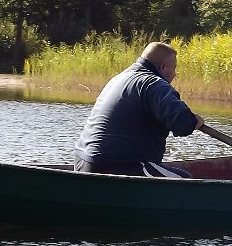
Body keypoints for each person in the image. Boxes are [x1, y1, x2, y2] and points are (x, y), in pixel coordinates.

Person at [73, 42, 204, 178]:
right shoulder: (155, 84)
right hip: (114, 165)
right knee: (184, 181)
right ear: (163, 67)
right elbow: (182, 123)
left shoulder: (119, 78)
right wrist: (193, 120)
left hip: (81, 162)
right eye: (174, 68)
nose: (175, 74)